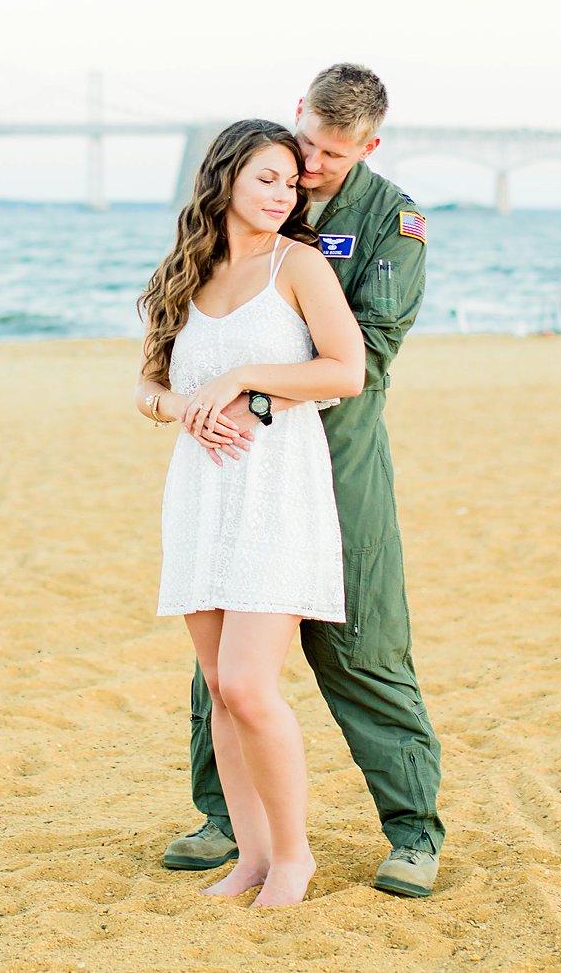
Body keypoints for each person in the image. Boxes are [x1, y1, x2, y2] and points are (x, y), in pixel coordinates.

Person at [160, 64, 446, 900]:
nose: (309, 168)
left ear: (367, 146)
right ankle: (225, 821)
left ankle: (413, 829)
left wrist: (248, 393)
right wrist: (191, 402)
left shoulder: (394, 221)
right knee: (225, 659)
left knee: (363, 642)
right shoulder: (258, 190)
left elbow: (371, 353)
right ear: (297, 116)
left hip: (338, 451)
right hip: (241, 461)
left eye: (329, 154)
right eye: (305, 144)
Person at [134, 118, 367, 908]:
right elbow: (148, 390)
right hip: (200, 493)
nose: (282, 193)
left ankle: (295, 856)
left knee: (249, 683)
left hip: (276, 492)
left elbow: (347, 372)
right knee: (217, 685)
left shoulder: (299, 266)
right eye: (266, 178)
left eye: (291, 182)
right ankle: (253, 857)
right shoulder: (186, 272)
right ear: (227, 177)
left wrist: (243, 375)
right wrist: (185, 408)